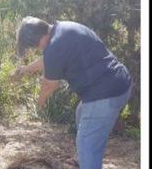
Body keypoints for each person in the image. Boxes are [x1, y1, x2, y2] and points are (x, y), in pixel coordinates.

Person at [12, 17, 132, 169]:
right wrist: (25, 70)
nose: (38, 49)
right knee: (81, 113)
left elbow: (49, 85)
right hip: (120, 82)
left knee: (87, 144)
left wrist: (39, 104)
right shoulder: (64, 28)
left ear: (40, 37)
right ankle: (84, 159)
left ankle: (87, 161)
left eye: (35, 46)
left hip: (104, 95)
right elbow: (48, 60)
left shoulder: (55, 46)